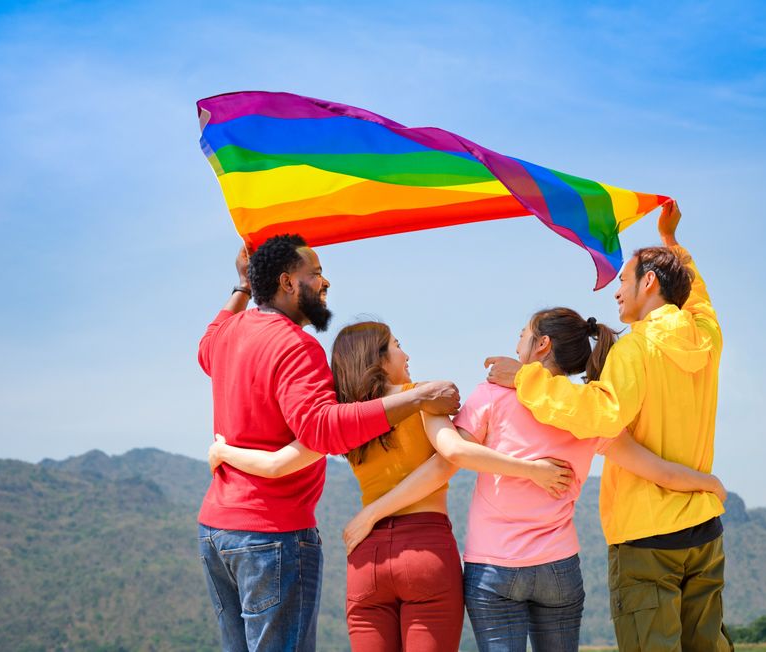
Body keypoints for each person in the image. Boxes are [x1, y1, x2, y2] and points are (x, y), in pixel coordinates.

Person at [208, 320, 574, 652]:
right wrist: (533, 469)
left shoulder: (343, 418)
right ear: (379, 358)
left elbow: (275, 465)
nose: (407, 353)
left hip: (366, 559)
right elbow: (449, 458)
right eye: (398, 344)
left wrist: (224, 451)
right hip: (425, 554)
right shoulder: (423, 398)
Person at [485, 201, 732, 652]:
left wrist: (525, 378)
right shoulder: (707, 338)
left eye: (622, 280)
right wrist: (673, 244)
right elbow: (699, 298)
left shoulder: (635, 349)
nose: (616, 291)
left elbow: (600, 414)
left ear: (649, 282)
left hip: (647, 536)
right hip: (705, 531)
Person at [196, 234, 460, 652]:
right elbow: (321, 428)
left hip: (216, 532)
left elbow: (205, 349)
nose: (325, 283)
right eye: (315, 273)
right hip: (272, 535)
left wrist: (243, 286)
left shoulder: (230, 333)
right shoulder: (297, 347)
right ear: (287, 282)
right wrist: (416, 397)